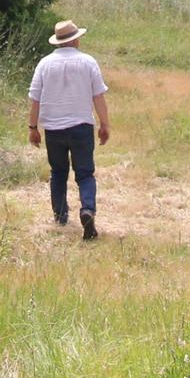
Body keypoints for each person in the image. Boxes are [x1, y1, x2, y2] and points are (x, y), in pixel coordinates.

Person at [27, 19, 110, 240]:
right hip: (82, 126)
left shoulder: (44, 64)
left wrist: (33, 127)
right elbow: (98, 96)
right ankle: (88, 210)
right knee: (85, 173)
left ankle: (61, 217)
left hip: (53, 129)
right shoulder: (88, 62)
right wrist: (104, 124)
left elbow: (35, 100)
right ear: (75, 39)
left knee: (58, 173)